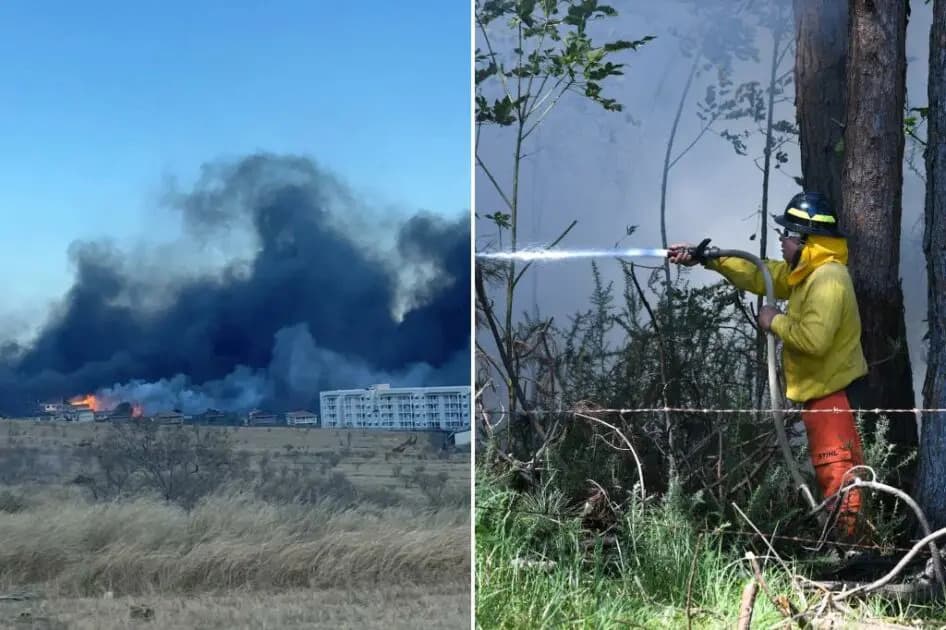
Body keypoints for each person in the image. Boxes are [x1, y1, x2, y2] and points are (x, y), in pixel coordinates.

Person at [668, 192, 868, 537]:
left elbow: (815, 341)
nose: (781, 240)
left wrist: (774, 320)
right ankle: (848, 543)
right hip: (823, 394)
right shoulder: (808, 272)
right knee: (834, 472)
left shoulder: (828, 278)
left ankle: (856, 549)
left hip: (834, 395)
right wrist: (707, 258)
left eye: (787, 235)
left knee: (839, 472)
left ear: (807, 240)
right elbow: (760, 274)